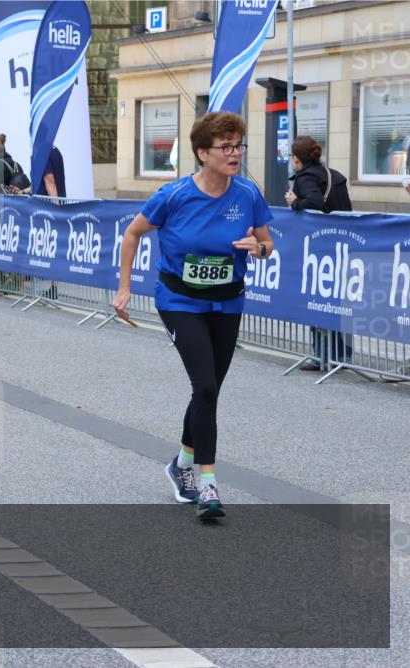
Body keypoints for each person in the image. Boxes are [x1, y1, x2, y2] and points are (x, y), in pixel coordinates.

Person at [113, 111, 274, 520]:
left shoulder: (247, 195)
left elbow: (267, 243)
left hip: (228, 301)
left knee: (209, 390)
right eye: (226, 147)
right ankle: (208, 485)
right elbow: (132, 233)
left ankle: (181, 463)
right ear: (203, 153)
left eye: (238, 145)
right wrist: (124, 287)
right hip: (180, 301)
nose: (235, 153)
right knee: (204, 386)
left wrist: (259, 249)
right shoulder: (174, 195)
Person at [285, 136, 353, 371]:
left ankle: (323, 356)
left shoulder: (306, 178)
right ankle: (342, 356)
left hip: (320, 248)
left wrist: (294, 202)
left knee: (319, 300)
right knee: (339, 302)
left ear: (296, 159)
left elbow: (313, 201)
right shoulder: (333, 175)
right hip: (343, 245)